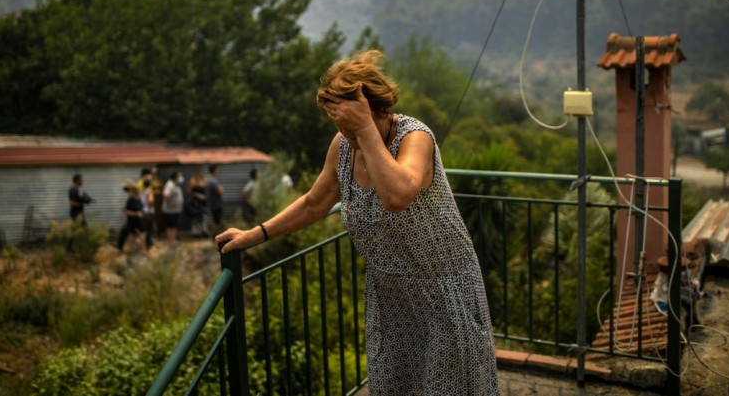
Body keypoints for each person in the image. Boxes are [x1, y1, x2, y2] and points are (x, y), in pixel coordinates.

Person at [216, 50, 500, 395]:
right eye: (338, 123)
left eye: (349, 121)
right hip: (392, 297)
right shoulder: (344, 144)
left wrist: (364, 128)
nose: (343, 132)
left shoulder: (414, 137)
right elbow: (314, 202)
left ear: (376, 108)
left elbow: (398, 196)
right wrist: (256, 234)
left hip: (441, 291)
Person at [122, 179, 147, 253]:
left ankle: (132, 250)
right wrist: (136, 214)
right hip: (133, 221)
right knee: (139, 234)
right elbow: (126, 212)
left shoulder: (138, 199)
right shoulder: (130, 200)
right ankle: (142, 250)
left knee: (135, 235)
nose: (139, 191)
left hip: (138, 220)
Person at [162, 171, 184, 247]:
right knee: (171, 227)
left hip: (174, 210)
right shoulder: (170, 185)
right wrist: (170, 203)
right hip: (170, 211)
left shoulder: (175, 184)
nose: (181, 178)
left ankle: (173, 240)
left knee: (174, 226)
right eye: (179, 176)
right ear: (175, 177)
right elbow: (165, 195)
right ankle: (171, 242)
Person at [186, 166, 208, 238]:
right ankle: (196, 233)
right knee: (195, 218)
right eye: (200, 172)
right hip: (195, 202)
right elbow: (188, 191)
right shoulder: (193, 180)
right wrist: (196, 195)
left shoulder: (204, 180)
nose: (202, 173)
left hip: (203, 202)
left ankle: (204, 231)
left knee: (204, 217)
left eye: (202, 172)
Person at [205, 165, 225, 237]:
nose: (218, 171)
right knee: (216, 221)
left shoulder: (208, 180)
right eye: (217, 169)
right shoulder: (213, 181)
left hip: (212, 204)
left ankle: (215, 235)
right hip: (216, 204)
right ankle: (215, 235)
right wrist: (221, 188)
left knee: (215, 220)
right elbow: (220, 192)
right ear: (214, 170)